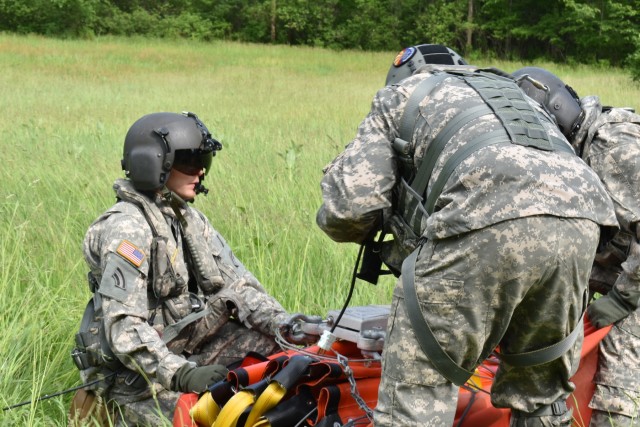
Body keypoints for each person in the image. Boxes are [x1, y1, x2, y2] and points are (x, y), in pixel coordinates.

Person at [316, 44, 618, 426]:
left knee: (416, 399)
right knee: (541, 399)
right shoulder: (508, 91)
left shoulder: (400, 96)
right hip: (584, 219)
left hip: (485, 214)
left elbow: (349, 212)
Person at [70, 112, 289, 425]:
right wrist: (183, 374)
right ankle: (112, 413)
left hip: (183, 349)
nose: (200, 171)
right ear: (153, 164)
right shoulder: (127, 228)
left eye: (205, 161)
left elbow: (238, 286)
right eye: (189, 162)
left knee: (277, 353)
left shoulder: (188, 220)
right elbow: (123, 325)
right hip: (135, 380)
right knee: (206, 415)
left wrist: (288, 326)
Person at [513, 66, 640, 426]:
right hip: (623, 264)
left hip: (635, 277)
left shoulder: (612, 147)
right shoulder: (577, 153)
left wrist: (621, 300)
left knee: (619, 381)